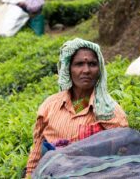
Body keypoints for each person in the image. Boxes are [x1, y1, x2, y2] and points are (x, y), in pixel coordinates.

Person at [25, 38, 129, 177]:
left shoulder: (110, 111)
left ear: (99, 69)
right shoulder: (50, 106)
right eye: (79, 64)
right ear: (68, 68)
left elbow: (123, 156)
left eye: (92, 64)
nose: (86, 70)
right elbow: (37, 149)